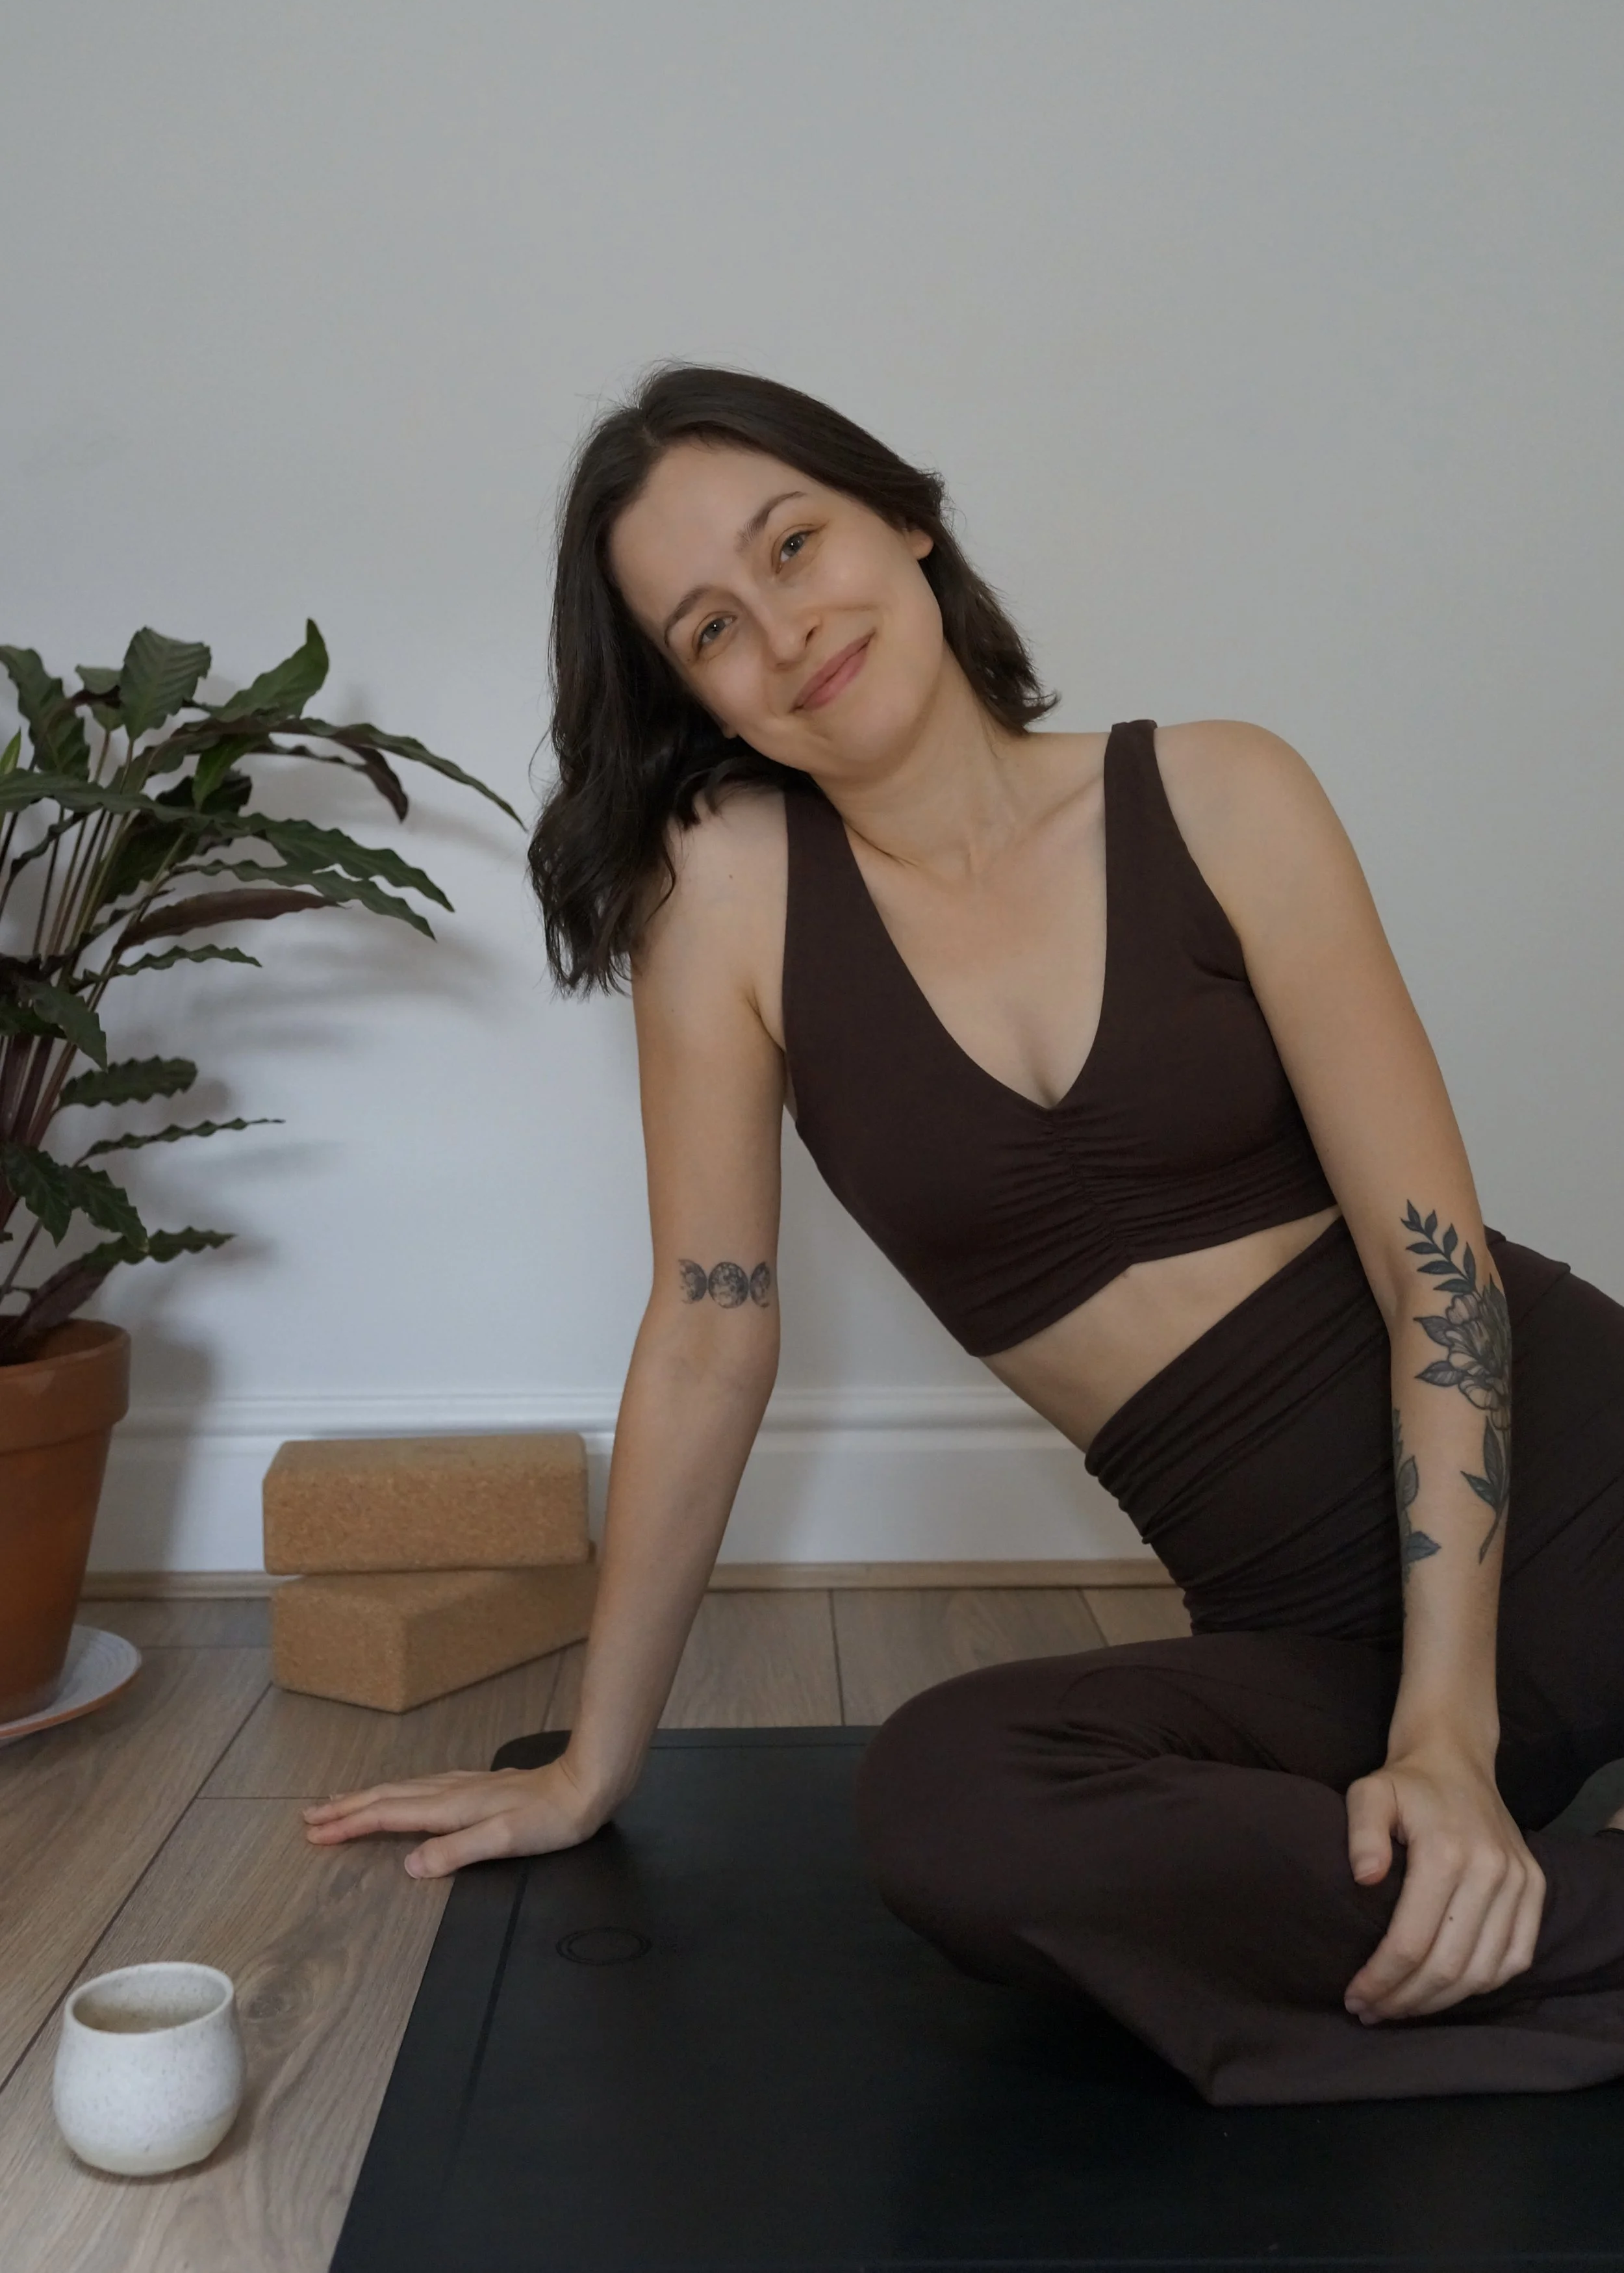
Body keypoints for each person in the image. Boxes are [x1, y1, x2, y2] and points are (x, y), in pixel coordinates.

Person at [303, 364, 1624, 2105]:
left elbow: (1436, 1276)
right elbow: (708, 1330)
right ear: (692, 693)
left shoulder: (1221, 792)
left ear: (906, 520)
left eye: (794, 544)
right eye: (710, 627)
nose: (783, 628)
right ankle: (1544, 1910)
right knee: (952, 1801)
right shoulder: (730, 901)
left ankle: (1481, 1896)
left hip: (1579, 1485)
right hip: (1308, 1643)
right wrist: (587, 1765)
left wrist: (1446, 1734)